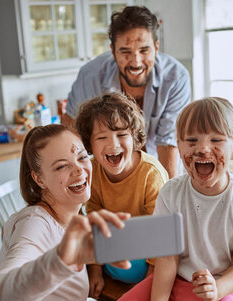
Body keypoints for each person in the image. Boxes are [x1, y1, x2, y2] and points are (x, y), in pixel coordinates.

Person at [93, 97, 233, 301]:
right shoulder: (171, 193)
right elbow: (167, 259)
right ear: (178, 145)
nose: (202, 149)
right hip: (172, 281)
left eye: (216, 140)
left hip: (219, 292)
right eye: (191, 141)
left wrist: (217, 289)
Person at [0, 124, 131, 301]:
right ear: (39, 179)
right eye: (62, 166)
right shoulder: (34, 225)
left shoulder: (70, 215)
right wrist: (63, 258)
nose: (79, 170)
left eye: (82, 157)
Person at [63, 6, 191, 179]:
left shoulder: (176, 78)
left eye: (144, 50)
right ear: (113, 51)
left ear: (156, 47)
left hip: (156, 171)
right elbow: (72, 130)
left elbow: (168, 143)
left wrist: (168, 198)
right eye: (125, 51)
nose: (136, 62)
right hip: (104, 174)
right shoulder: (90, 76)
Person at [75, 92, 168, 296]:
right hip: (111, 254)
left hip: (147, 260)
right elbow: (94, 223)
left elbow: (162, 236)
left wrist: (149, 283)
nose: (113, 144)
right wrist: (95, 270)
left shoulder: (151, 174)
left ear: (134, 137)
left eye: (121, 135)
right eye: (101, 137)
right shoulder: (92, 170)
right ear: (89, 143)